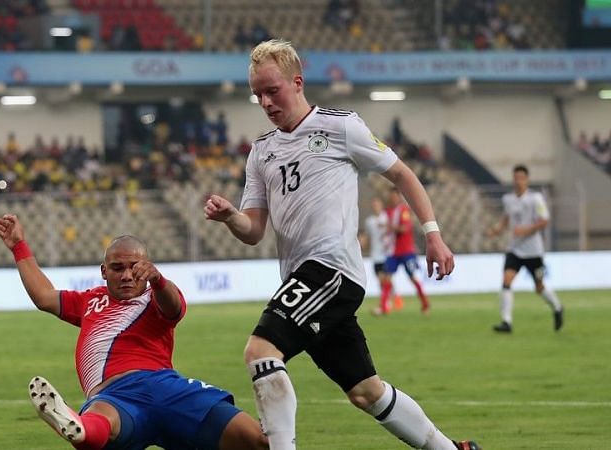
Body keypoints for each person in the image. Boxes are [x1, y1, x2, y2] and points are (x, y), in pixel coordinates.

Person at [204, 39, 479, 450]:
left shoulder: (341, 126)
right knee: (366, 391)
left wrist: (433, 233)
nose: (264, 101)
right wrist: (231, 218)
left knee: (260, 350)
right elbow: (254, 231)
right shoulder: (261, 152)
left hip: (332, 271)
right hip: (304, 278)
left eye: (272, 90)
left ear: (297, 83)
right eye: (257, 94)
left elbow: (403, 175)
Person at [0, 214, 268, 450]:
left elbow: (174, 308)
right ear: (103, 271)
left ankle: (81, 426)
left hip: (166, 388)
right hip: (113, 396)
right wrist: (18, 246)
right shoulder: (90, 301)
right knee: (98, 424)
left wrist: (158, 280)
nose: (126, 275)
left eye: (134, 267)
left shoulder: (155, 296)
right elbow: (44, 296)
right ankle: (76, 426)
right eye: (117, 268)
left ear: (146, 267)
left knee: (257, 441)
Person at [485, 165, 564, 333]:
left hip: (534, 251)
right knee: (506, 281)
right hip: (515, 249)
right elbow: (507, 218)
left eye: (521, 177)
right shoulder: (508, 199)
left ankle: (557, 307)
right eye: (516, 178)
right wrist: (496, 230)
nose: (518, 181)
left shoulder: (536, 199)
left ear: (527, 180)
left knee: (539, 286)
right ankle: (506, 322)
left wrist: (525, 230)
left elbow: (544, 221)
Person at [385, 187, 431, 314]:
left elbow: (405, 228)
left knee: (412, 277)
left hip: (406, 251)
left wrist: (391, 227)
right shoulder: (388, 211)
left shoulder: (403, 210)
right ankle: (384, 306)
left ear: (399, 196)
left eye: (394, 196)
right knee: (387, 277)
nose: (392, 198)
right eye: (391, 196)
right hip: (393, 251)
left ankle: (425, 304)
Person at [360, 196, 403, 315]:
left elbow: (394, 231)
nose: (375, 206)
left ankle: (386, 304)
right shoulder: (369, 221)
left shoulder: (387, 217)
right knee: (382, 280)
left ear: (381, 205)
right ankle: (394, 298)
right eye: (373, 204)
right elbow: (367, 236)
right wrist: (363, 244)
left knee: (385, 279)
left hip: (387, 253)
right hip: (375, 254)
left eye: (377, 204)